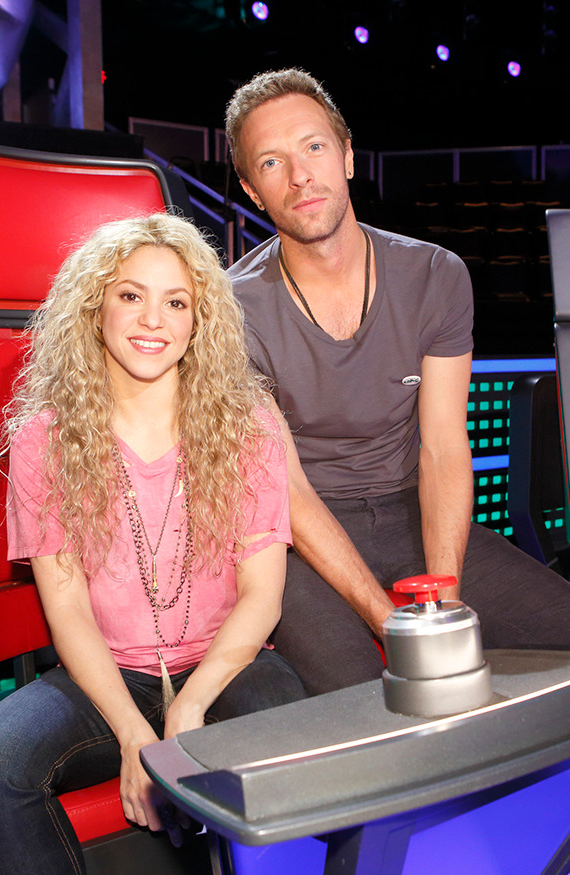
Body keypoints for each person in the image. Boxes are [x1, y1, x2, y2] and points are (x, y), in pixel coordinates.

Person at [0, 212, 306, 875]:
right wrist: (132, 730)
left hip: (226, 663)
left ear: (198, 321)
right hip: (108, 674)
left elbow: (263, 595)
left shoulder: (251, 424)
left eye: (176, 301)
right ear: (95, 308)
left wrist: (192, 704)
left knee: (279, 731)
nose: (153, 319)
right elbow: (68, 609)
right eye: (130, 295)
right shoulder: (45, 438)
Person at [224, 67, 570, 696]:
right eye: (272, 163)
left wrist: (446, 599)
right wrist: (389, 621)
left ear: (349, 156)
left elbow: (442, 444)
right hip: (302, 542)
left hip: (415, 515)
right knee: (364, 694)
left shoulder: (436, 275)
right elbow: (287, 490)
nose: (301, 176)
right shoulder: (230, 310)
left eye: (314, 147)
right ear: (252, 189)